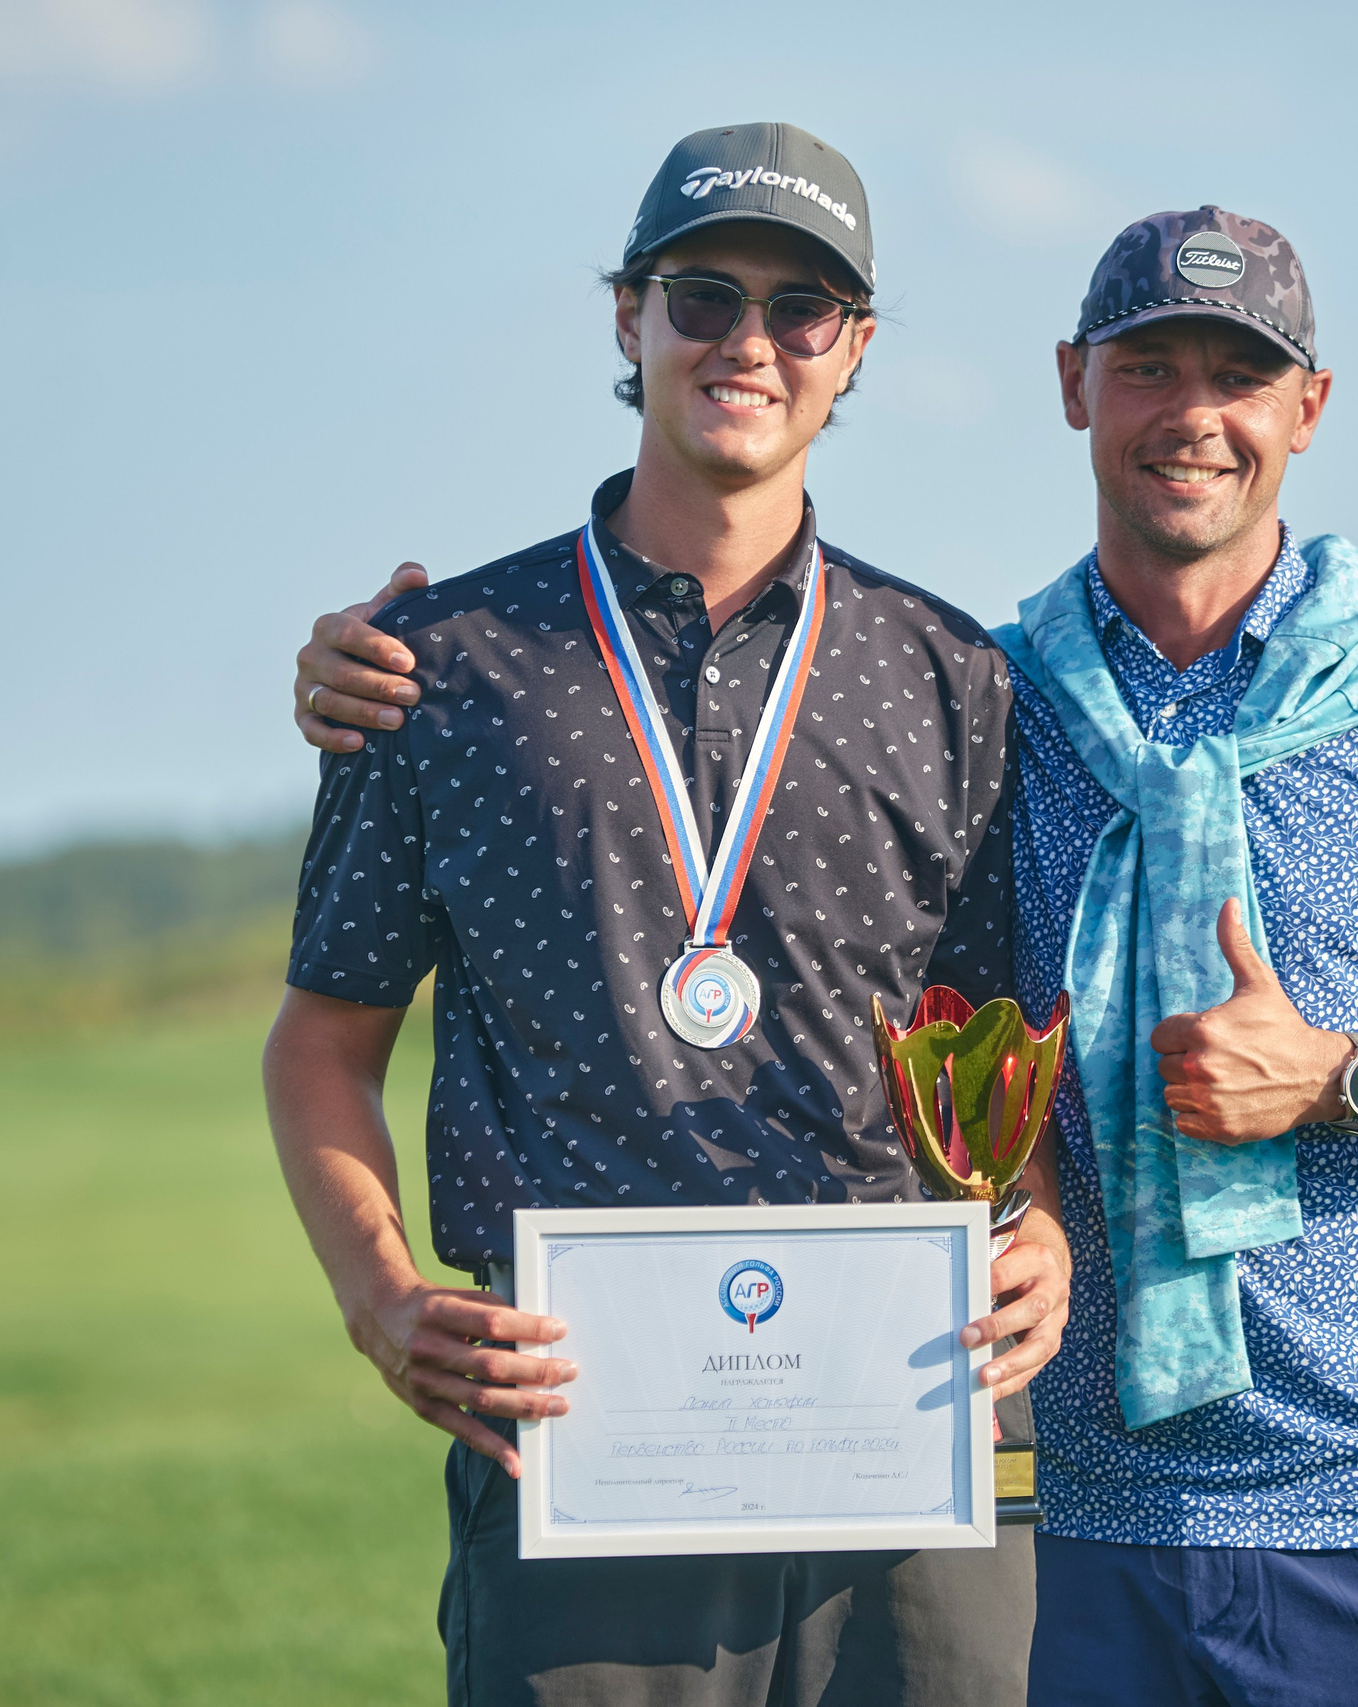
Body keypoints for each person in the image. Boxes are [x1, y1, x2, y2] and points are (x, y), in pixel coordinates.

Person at [299, 206, 1358, 1707]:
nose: (1192, 417)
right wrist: (366, 672)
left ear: (1306, 409)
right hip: (1060, 1519)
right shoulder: (998, 699)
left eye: (1240, 376)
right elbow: (980, 1057)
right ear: (1075, 384)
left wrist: (1343, 1074)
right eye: (1148, 370)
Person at [263, 121, 1065, 1707]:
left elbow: (1003, 1057)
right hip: (576, 1439)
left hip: (909, 1431)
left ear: (857, 353)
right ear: (626, 319)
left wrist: (1035, 1224)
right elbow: (323, 1043)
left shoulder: (955, 677)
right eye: (704, 296)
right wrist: (378, 1295)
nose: (748, 342)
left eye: (800, 308)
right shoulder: (438, 669)